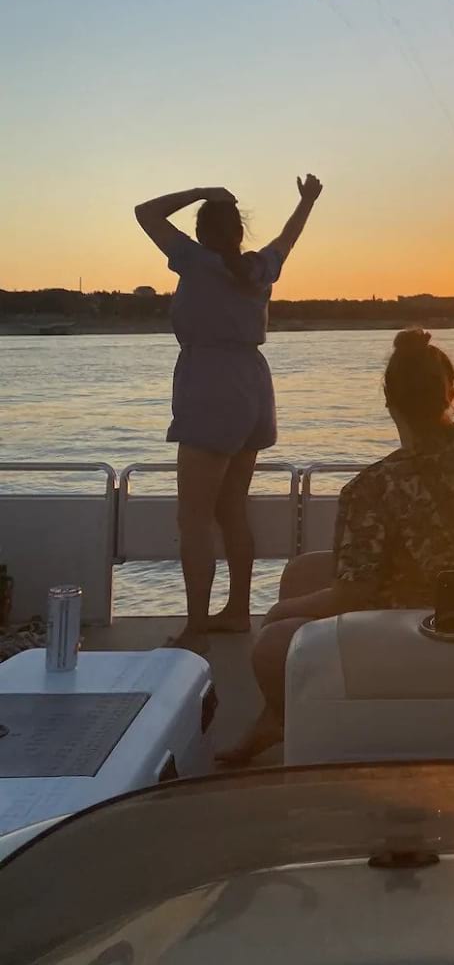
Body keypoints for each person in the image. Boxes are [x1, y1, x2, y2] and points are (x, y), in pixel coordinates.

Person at [219, 328, 454, 764]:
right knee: (300, 573)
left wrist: (283, 612)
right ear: (450, 393)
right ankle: (279, 713)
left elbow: (356, 592)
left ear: (388, 400)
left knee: (272, 640)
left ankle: (290, 714)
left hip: (427, 620)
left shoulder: (373, 487)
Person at [135, 175, 323, 650]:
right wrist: (306, 200)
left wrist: (200, 192)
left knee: (193, 516)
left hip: (212, 386)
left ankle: (196, 625)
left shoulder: (196, 262)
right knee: (230, 508)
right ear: (239, 233)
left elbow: (146, 212)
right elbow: (289, 237)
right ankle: (237, 611)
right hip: (254, 385)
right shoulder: (260, 267)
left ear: (201, 233)